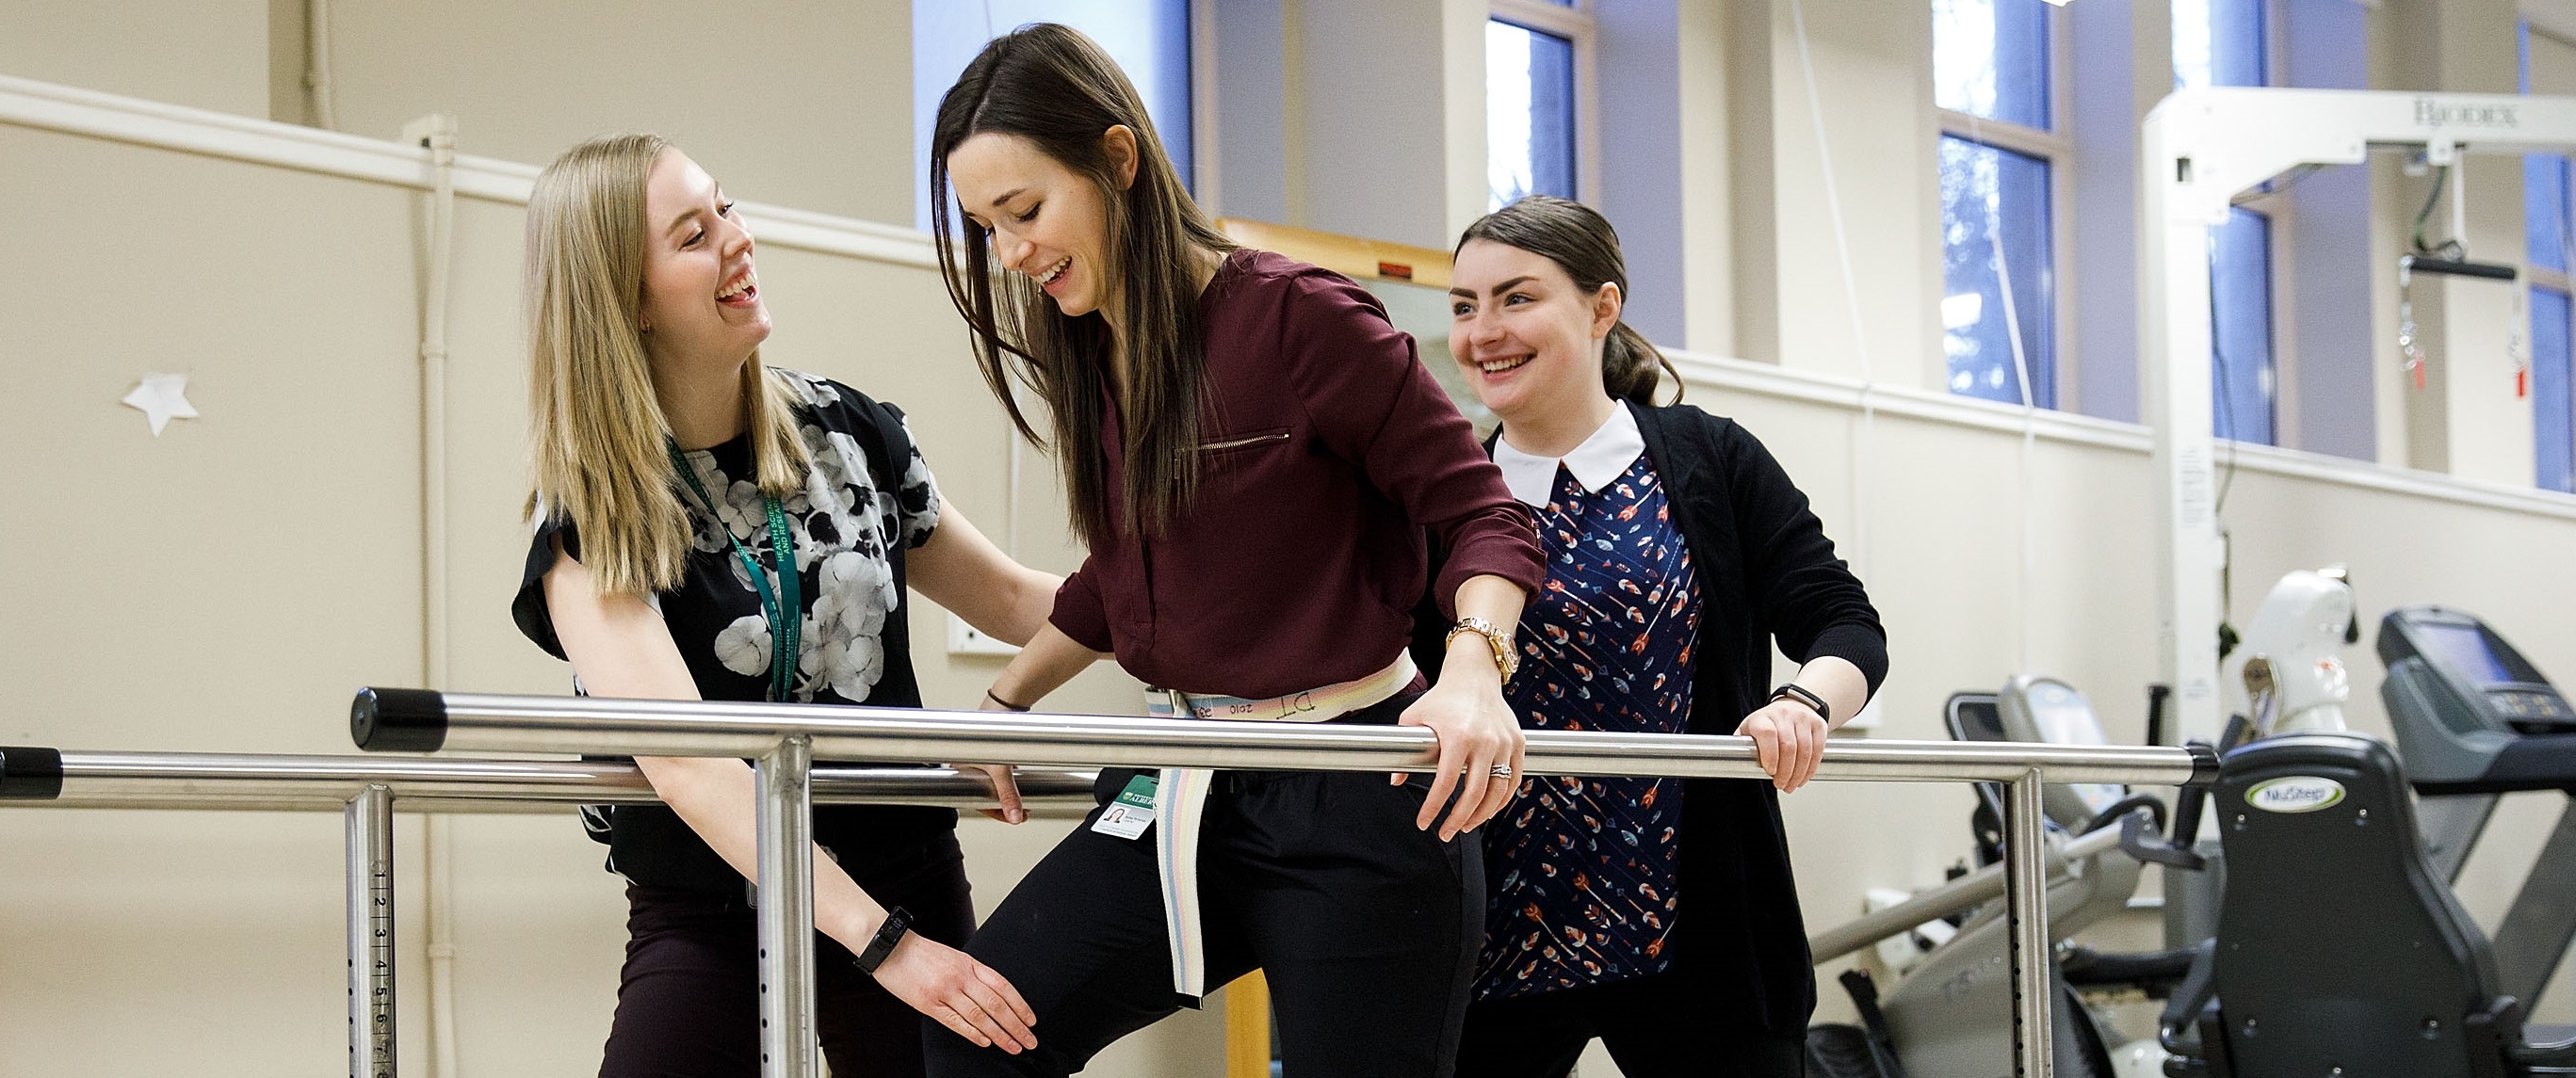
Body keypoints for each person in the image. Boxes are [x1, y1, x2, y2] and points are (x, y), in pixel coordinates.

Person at [919, 24, 1547, 1078]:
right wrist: (1002, 706)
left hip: (1355, 786)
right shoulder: (1095, 345)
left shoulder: (1301, 318)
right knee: (973, 1033)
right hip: (1182, 779)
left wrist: (1476, 671)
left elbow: (1485, 514)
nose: (1013, 254)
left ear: (1118, 160)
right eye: (987, 228)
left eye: (1024, 213)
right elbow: (1124, 575)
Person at [511, 131, 1051, 1077]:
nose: (737, 239)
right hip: (712, 904)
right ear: (624, 300)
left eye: (726, 208)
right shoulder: (593, 522)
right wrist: (883, 944)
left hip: (903, 869)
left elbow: (1013, 599)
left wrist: (1201, 599)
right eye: (692, 235)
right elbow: (691, 765)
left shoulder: (852, 435)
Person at [1436, 195, 1888, 1077]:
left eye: (1515, 298)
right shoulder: (1449, 489)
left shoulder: (1709, 458)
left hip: (1701, 928)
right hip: (1496, 931)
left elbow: (1842, 619)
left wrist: (1802, 701)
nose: (1483, 331)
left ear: (1602, 307)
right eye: (1464, 305)